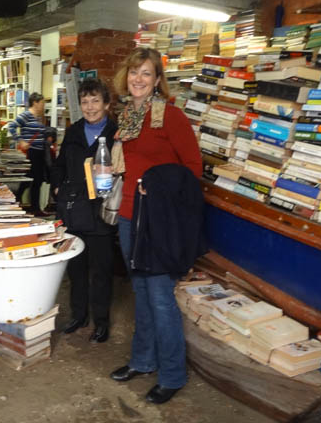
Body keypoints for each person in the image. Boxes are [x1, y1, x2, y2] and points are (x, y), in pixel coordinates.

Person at [108, 48, 203, 404]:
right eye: (134, 72)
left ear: (157, 79)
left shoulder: (171, 117)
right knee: (142, 295)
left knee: (161, 299)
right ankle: (143, 360)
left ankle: (173, 374)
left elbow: (193, 169)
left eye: (146, 73)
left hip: (158, 221)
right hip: (129, 217)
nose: (139, 79)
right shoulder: (128, 115)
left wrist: (159, 186)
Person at [51, 78, 118, 343]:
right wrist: (57, 186)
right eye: (85, 101)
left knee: (101, 270)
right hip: (74, 209)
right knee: (76, 268)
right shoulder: (74, 131)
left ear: (106, 104)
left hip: (102, 210)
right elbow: (59, 165)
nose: (90, 107)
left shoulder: (117, 132)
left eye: (95, 101)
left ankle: (101, 322)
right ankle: (79, 316)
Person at [8, 92, 49, 216]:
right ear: (35, 103)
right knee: (33, 180)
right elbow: (12, 126)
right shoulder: (26, 115)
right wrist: (20, 140)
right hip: (31, 153)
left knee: (34, 180)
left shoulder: (39, 117)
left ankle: (18, 202)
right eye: (42, 103)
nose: (43, 105)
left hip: (40, 152)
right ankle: (32, 207)